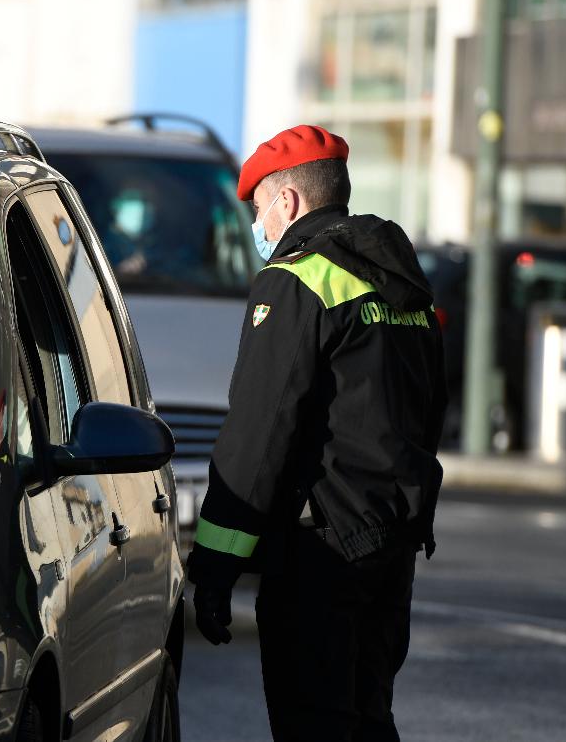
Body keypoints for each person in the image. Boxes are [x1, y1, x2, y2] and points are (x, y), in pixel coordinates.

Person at [185, 125, 447, 741]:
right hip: (390, 542)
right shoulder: (399, 279)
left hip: (319, 551)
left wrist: (215, 567)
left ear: (289, 201)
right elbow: (430, 406)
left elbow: (259, 434)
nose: (259, 227)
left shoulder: (296, 280)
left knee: (316, 725)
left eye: (259, 209)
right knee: (368, 719)